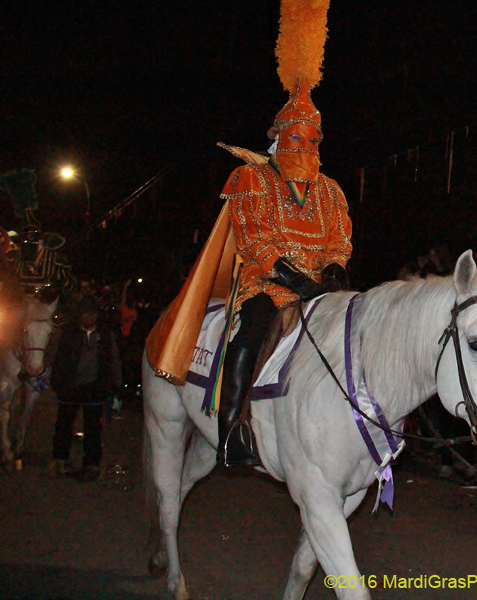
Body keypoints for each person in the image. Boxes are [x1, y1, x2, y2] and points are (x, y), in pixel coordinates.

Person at [145, 1, 352, 468]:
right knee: (250, 336)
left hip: (322, 288)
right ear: (278, 139)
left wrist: (336, 266)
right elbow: (254, 239)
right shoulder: (251, 178)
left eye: (313, 140)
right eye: (296, 138)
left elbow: (339, 239)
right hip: (266, 283)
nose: (305, 146)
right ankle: (231, 433)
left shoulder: (331, 189)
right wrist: (288, 276)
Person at [46, 296, 122, 481]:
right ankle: (60, 459)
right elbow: (52, 354)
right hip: (70, 385)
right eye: (87, 314)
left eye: (93, 314)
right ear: (80, 315)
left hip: (94, 387)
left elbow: (114, 359)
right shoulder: (66, 332)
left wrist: (117, 384)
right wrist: (44, 374)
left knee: (93, 427)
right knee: (64, 423)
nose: (90, 318)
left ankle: (91, 463)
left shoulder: (105, 335)